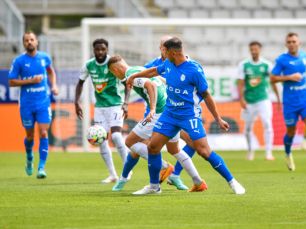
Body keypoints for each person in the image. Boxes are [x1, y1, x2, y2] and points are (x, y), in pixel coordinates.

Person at [127, 37, 246, 195]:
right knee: (153, 147)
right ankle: (154, 187)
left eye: (165, 51)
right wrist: (134, 77)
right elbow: (154, 71)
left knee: (204, 151)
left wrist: (218, 118)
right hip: (169, 114)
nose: (163, 54)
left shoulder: (194, 70)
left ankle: (232, 182)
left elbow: (207, 95)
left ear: (174, 52)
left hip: (189, 115)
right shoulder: (169, 63)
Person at [107, 55, 206, 192]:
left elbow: (150, 84)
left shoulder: (131, 74)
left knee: (130, 142)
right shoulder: (139, 69)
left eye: (113, 73)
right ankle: (198, 181)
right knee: (174, 150)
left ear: (115, 70)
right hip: (170, 111)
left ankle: (164, 167)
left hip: (159, 113)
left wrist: (152, 109)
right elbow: (158, 79)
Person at [270, 32, 306, 171]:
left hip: (305, 99)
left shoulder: (304, 56)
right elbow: (272, 78)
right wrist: (289, 77)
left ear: (299, 43)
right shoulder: (281, 60)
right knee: (291, 132)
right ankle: (288, 153)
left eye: (294, 41)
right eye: (289, 42)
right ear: (286, 44)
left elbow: (303, 71)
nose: (291, 44)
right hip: (290, 102)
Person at [144, 35, 196, 190]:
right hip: (159, 112)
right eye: (162, 45)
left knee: (193, 143)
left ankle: (174, 175)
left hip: (178, 111)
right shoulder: (152, 65)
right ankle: (124, 177)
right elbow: (143, 83)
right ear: (161, 48)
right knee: (140, 146)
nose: (164, 48)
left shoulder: (184, 62)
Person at [74, 38, 129, 183]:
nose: (100, 52)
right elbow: (80, 83)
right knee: (101, 141)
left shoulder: (113, 64)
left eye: (102, 49)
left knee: (116, 137)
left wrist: (126, 103)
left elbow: (127, 82)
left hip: (116, 104)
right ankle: (113, 175)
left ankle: (127, 170)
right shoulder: (89, 65)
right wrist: (76, 102)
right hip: (100, 108)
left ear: (107, 49)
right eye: (97, 49)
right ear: (93, 50)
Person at [8, 31, 59, 179]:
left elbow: (51, 72)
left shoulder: (44, 58)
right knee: (29, 136)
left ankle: (41, 167)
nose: (29, 42)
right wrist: (30, 81)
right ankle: (29, 156)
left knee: (43, 133)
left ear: (37, 42)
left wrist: (54, 85)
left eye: (32, 39)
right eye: (26, 40)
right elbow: (11, 81)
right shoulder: (19, 61)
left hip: (43, 102)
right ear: (24, 44)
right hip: (26, 104)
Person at [238, 41, 280, 161]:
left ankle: (268, 152)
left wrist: (278, 98)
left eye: (256, 49)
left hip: (263, 100)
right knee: (247, 128)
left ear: (260, 50)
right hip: (249, 101)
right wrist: (241, 99)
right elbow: (240, 83)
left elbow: (273, 81)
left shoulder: (267, 65)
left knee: (267, 124)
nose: (254, 51)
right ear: (249, 50)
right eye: (252, 49)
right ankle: (250, 150)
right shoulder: (244, 65)